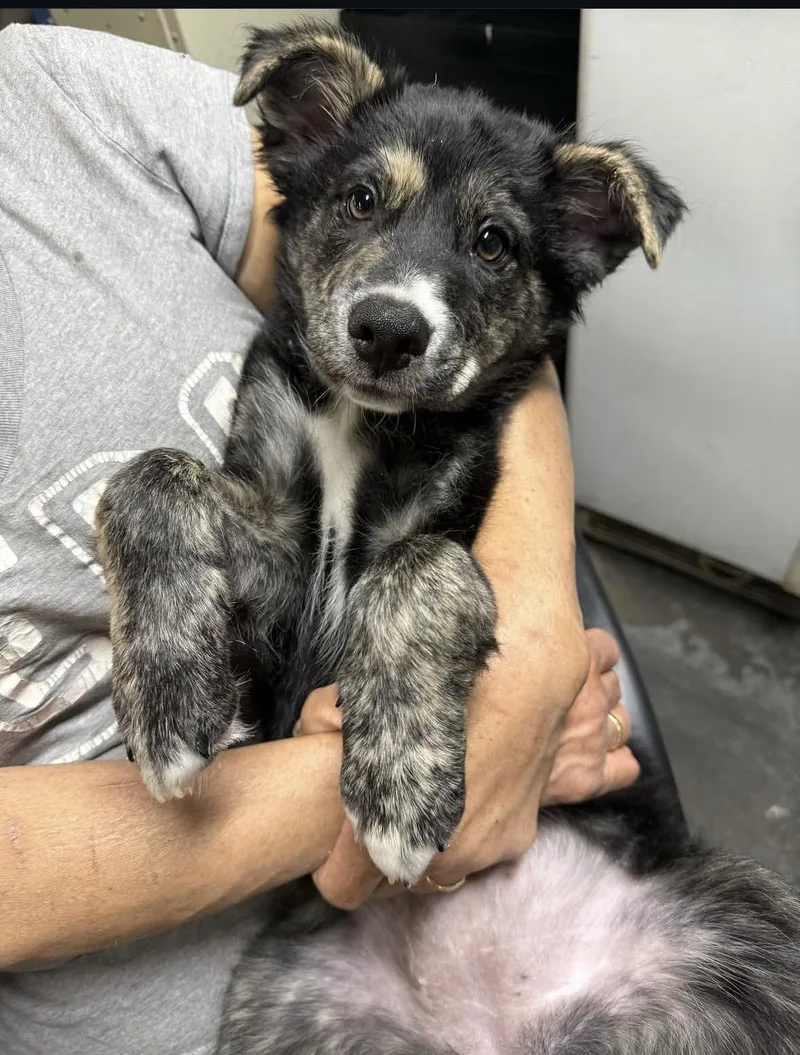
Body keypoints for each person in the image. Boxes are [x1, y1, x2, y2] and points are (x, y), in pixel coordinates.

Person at [0, 22, 640, 1055]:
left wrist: (530, 640)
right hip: (294, 969)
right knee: (154, 493)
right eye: (362, 201)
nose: (398, 297)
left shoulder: (59, 98)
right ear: (303, 142)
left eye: (488, 243)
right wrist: (412, 772)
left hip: (567, 886)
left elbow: (512, 387)